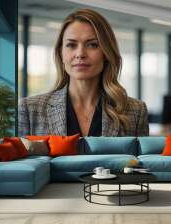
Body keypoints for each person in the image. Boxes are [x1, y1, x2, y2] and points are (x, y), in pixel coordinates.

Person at [19, 8, 149, 137]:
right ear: (61, 53)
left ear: (106, 53)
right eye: (71, 45)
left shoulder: (135, 111)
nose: (80, 54)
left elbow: (142, 158)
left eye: (92, 45)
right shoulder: (30, 110)